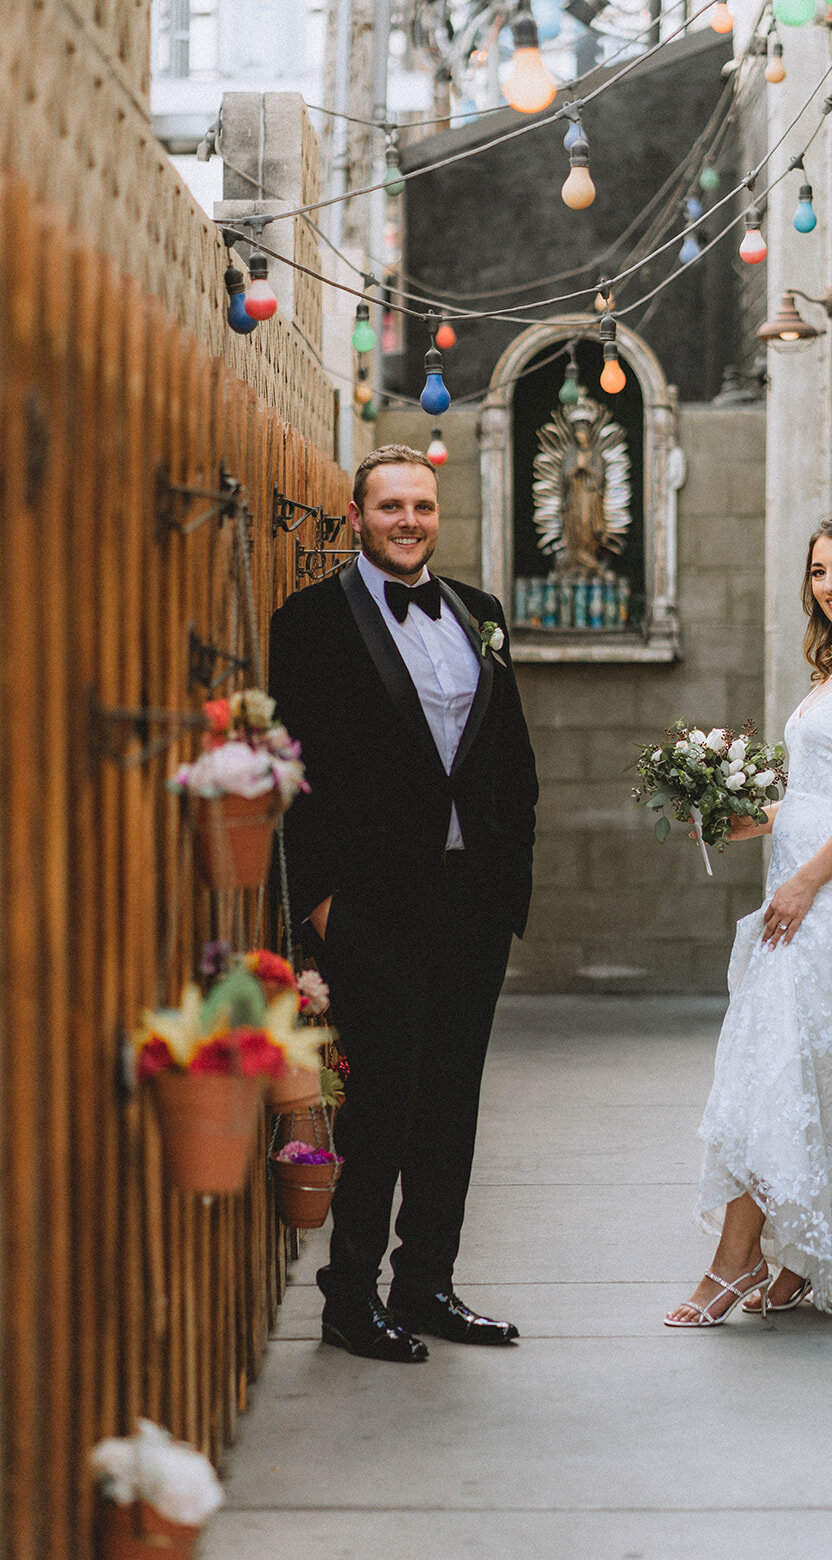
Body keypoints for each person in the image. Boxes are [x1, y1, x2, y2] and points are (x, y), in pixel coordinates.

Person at [269, 445, 538, 1363]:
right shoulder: (306, 622)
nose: (409, 520)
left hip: (471, 899)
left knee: (451, 1099)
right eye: (390, 506)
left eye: (421, 505)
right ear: (356, 517)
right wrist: (322, 907)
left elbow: (509, 758)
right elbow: (292, 776)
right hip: (372, 906)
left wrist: (510, 883)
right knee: (382, 1096)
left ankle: (426, 1283)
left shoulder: (481, 614)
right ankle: (350, 1295)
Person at [665, 514, 832, 1326]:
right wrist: (742, 817)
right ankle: (795, 1262)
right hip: (800, 884)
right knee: (787, 1076)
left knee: (785, 1075)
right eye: (817, 572)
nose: (831, 583)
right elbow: (817, 792)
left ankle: (733, 1265)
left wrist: (807, 881)